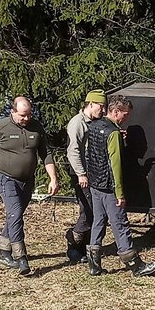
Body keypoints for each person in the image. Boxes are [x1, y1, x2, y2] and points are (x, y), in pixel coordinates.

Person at [0, 96, 59, 275]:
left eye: (29, 114)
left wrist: (53, 178)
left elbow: (46, 153)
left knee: (15, 214)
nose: (27, 118)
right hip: (7, 178)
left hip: (27, 181)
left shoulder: (36, 127)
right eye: (23, 115)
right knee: (15, 214)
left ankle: (4, 250)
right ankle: (21, 258)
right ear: (12, 112)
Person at [85, 94, 155, 277]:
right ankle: (134, 264)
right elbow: (115, 165)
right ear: (116, 111)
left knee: (98, 222)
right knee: (120, 224)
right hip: (110, 187)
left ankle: (94, 263)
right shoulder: (112, 134)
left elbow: (91, 154)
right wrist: (120, 193)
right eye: (125, 114)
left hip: (95, 184)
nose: (126, 118)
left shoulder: (94, 126)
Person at [64, 89, 106, 262]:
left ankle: (84, 249)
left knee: (93, 211)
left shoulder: (95, 121)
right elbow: (72, 150)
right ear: (90, 104)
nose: (102, 110)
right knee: (88, 211)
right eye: (100, 106)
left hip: (93, 174)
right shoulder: (77, 123)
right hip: (81, 175)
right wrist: (81, 174)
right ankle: (73, 242)